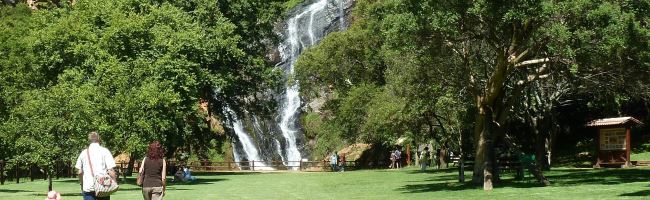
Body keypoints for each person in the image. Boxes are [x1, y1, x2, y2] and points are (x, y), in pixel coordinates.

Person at [75, 131, 117, 200]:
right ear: (99, 139)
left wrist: (82, 183)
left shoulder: (84, 153)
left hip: (88, 187)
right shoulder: (105, 151)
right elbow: (111, 170)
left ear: (89, 140)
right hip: (103, 186)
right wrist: (114, 182)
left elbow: (79, 172)